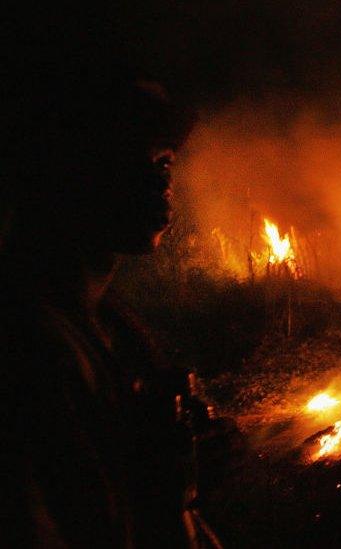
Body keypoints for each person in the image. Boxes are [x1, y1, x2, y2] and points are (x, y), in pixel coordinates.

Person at [0, 62, 202, 547]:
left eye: (164, 163)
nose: (160, 185)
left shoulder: (113, 324)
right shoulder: (26, 343)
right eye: (134, 160)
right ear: (70, 172)